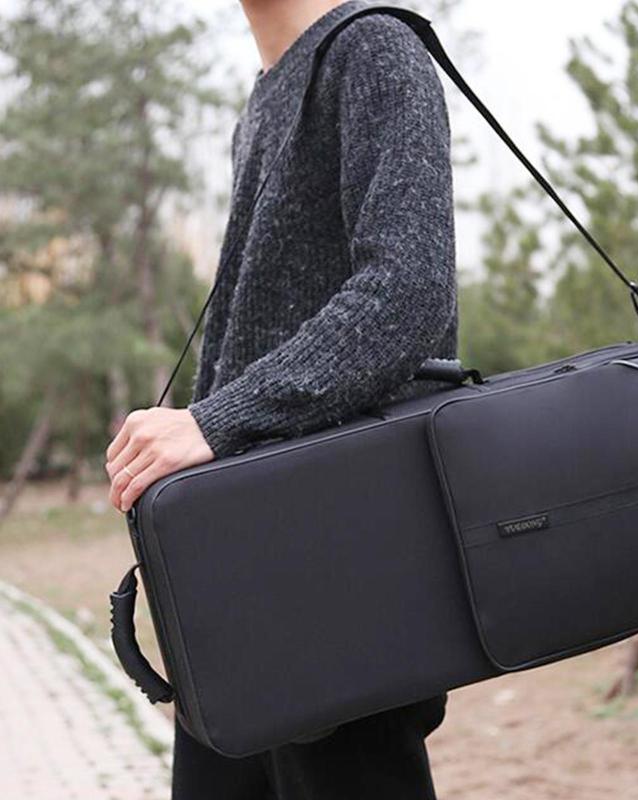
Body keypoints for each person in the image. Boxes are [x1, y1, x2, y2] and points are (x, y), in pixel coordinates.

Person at [104, 0, 457, 797]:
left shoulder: (374, 49)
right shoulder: (268, 93)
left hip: (338, 575)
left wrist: (214, 421)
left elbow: (408, 294)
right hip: (244, 578)